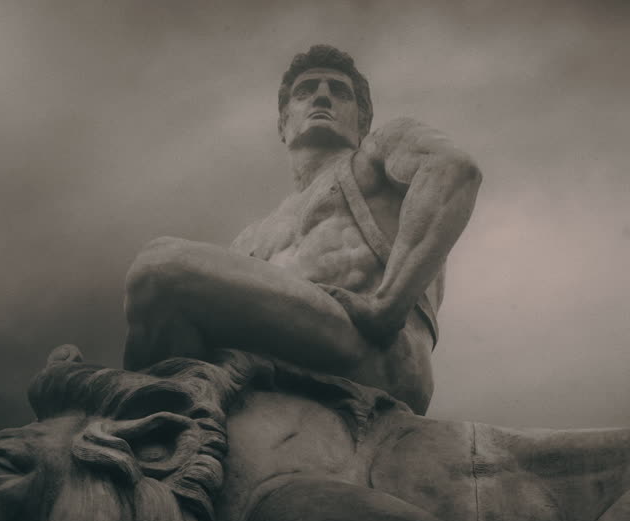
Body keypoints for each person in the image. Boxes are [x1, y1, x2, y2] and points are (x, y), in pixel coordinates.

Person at [123, 45, 481, 414]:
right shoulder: (250, 238)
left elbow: (454, 170)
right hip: (282, 358)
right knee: (166, 318)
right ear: (283, 122)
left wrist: (387, 305)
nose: (322, 95)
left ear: (362, 122)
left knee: (160, 267)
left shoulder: (379, 154)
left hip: (371, 349)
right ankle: (161, 432)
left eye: (339, 91)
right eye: (306, 90)